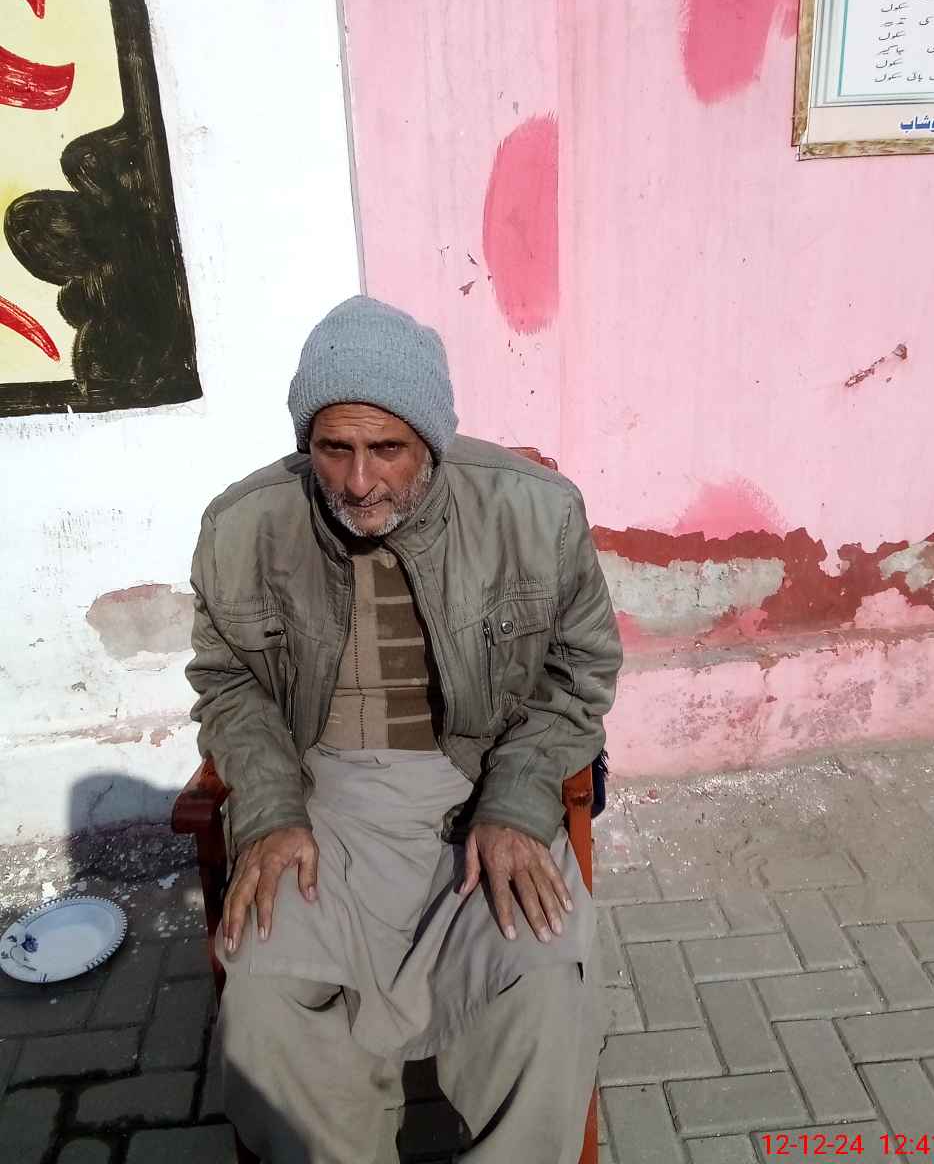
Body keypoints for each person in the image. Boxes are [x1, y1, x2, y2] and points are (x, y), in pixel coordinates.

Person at [186, 296, 623, 1164]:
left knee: (543, 988)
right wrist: (269, 810)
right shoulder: (243, 527)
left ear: (431, 437)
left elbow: (579, 674)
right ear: (307, 440)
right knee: (266, 1008)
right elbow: (229, 683)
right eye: (333, 448)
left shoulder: (533, 512)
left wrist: (519, 801)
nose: (358, 482)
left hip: (482, 787)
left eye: (386, 448)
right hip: (319, 803)